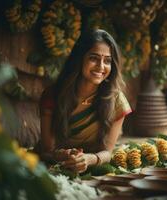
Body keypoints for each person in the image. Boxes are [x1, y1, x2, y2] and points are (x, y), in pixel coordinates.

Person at [39, 29, 132, 173]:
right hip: (52, 166)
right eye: (94, 58)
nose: (101, 66)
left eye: (107, 61)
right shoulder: (53, 94)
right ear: (79, 59)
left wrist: (89, 159)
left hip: (92, 166)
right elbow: (47, 149)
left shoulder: (117, 101)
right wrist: (62, 155)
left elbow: (108, 152)